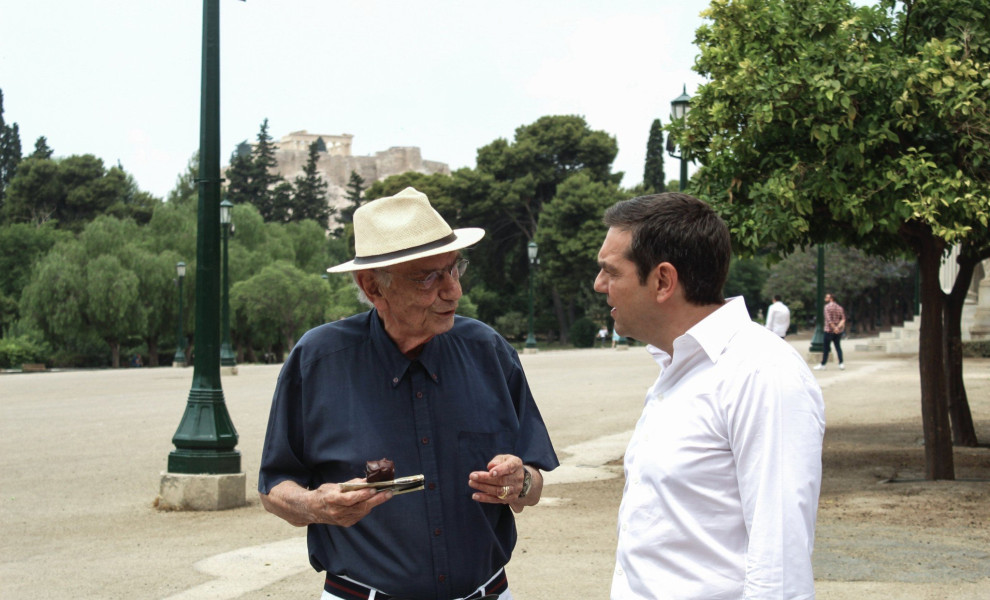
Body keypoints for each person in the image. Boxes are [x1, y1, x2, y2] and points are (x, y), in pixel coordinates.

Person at [258, 187, 559, 600]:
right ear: (373, 287)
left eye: (454, 269)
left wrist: (519, 482)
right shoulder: (317, 360)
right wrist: (314, 506)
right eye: (428, 277)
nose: (453, 291)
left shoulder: (489, 352)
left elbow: (534, 485)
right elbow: (273, 487)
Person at [592, 192, 825, 599]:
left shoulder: (760, 372)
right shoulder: (679, 368)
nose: (600, 286)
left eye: (611, 272)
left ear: (663, 280)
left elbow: (780, 561)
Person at [815, 292, 846, 370]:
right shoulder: (839, 307)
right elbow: (843, 319)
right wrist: (838, 328)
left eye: (827, 297)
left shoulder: (826, 307)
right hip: (838, 332)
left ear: (831, 299)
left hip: (828, 330)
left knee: (826, 348)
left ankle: (823, 364)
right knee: (838, 347)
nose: (825, 299)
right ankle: (841, 363)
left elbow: (829, 320)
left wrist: (834, 328)